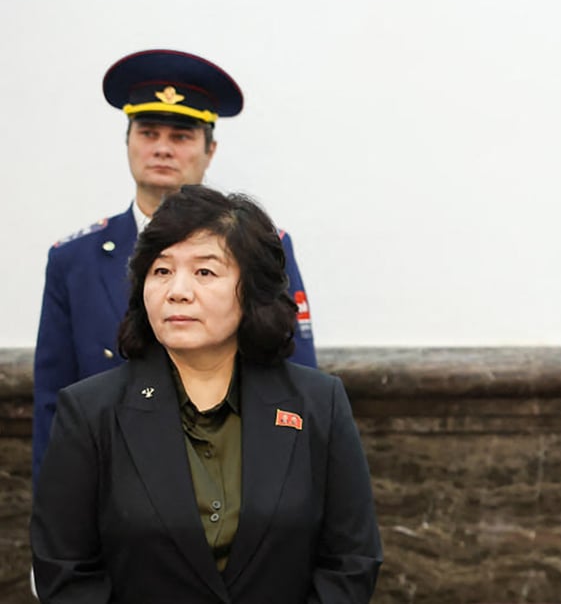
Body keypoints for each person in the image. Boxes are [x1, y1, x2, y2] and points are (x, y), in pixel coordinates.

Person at [31, 185, 382, 603]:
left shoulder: (317, 403)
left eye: (205, 272)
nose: (177, 290)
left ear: (251, 290)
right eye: (161, 271)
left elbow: (351, 561)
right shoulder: (90, 412)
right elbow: (66, 572)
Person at [32, 49, 317, 483]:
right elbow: (53, 400)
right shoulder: (74, 260)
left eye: (181, 136)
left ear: (210, 149)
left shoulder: (262, 248)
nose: (162, 148)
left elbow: (298, 379)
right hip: (111, 488)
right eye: (148, 132)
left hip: (232, 481)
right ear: (127, 141)